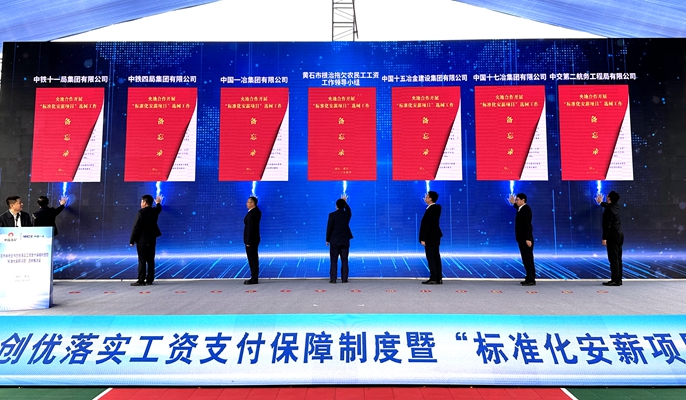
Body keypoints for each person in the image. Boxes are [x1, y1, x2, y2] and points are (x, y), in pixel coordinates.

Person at [129, 194, 162, 286]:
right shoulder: (154, 211)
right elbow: (159, 208)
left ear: (144, 202)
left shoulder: (141, 213)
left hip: (142, 241)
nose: (141, 203)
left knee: (142, 260)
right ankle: (150, 280)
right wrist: (158, 203)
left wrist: (132, 240)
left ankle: (141, 280)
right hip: (152, 240)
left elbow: (136, 227)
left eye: (141, 201)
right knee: (151, 260)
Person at [596, 191, 624, 286]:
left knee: (613, 258)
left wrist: (604, 238)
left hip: (612, 236)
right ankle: (618, 279)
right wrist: (601, 202)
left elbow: (607, 225)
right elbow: (608, 206)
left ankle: (615, 280)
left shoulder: (609, 210)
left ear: (609, 198)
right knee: (618, 258)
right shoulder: (615, 206)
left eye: (607, 195)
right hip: (619, 235)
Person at [508, 193, 535, 286]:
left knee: (528, 259)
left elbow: (527, 225)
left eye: (517, 200)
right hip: (522, 239)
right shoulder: (522, 208)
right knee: (525, 259)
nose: (516, 201)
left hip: (526, 239)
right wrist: (513, 203)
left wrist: (528, 238)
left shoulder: (526, 209)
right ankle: (528, 277)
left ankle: (531, 279)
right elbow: (518, 208)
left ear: (523, 200)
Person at [326, 195, 353, 283]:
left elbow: (329, 228)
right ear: (344, 205)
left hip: (334, 242)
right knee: (344, 260)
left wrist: (327, 239)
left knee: (333, 261)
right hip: (345, 241)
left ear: (336, 206)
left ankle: (333, 279)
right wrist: (345, 202)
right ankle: (344, 279)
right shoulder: (346, 215)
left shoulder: (332, 215)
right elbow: (349, 211)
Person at [420, 191, 443, 284]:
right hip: (435, 236)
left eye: (427, 197)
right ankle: (438, 277)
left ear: (430, 199)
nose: (425, 198)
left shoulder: (431, 209)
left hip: (430, 237)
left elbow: (427, 225)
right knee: (436, 257)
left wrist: (423, 238)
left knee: (431, 258)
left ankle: (434, 278)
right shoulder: (436, 208)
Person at [243, 196, 261, 285]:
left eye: (248, 202)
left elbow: (250, 228)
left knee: (252, 259)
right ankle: (254, 277)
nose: (247, 204)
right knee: (254, 258)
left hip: (251, 240)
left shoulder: (252, 214)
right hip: (255, 239)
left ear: (253, 203)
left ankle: (254, 278)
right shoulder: (256, 212)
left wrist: (248, 241)